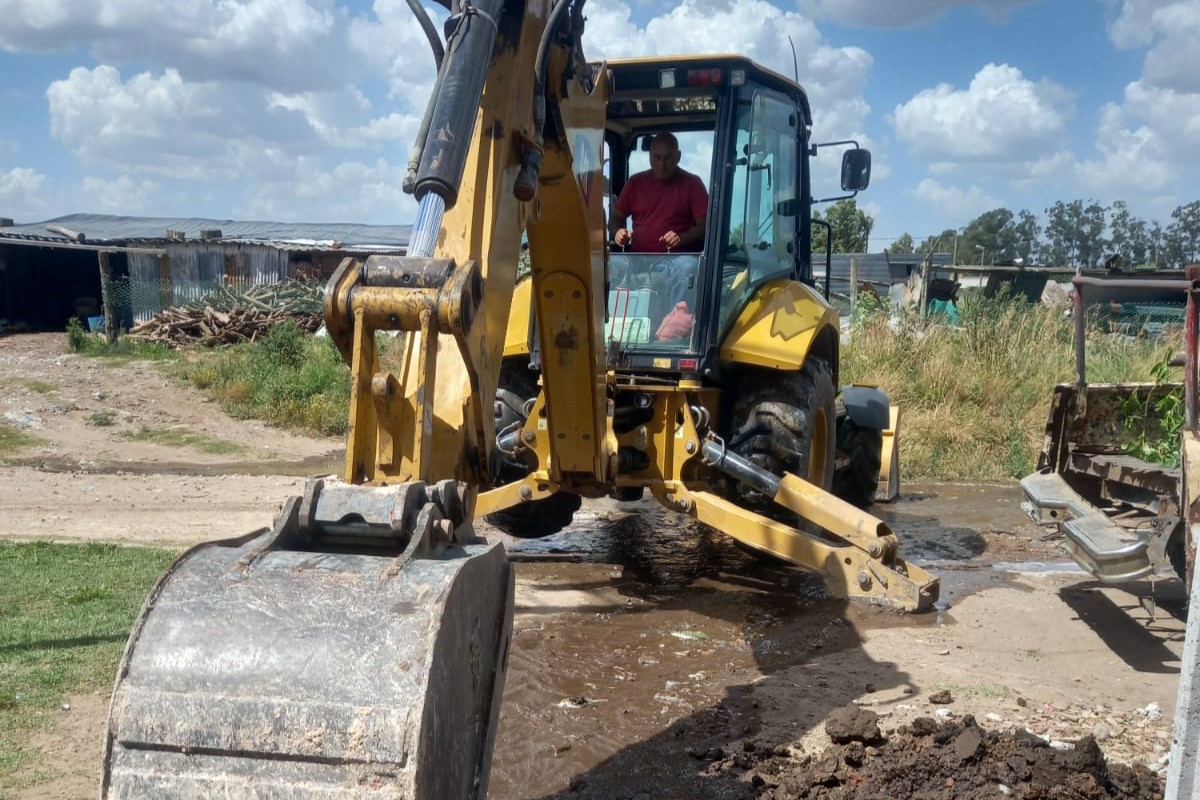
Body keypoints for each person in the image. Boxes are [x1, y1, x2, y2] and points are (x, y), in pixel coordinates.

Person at [609, 132, 708, 253]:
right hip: (637, 257)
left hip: (678, 258)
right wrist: (618, 232)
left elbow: (705, 226)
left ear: (678, 157)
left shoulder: (693, 184)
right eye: (657, 157)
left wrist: (681, 238)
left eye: (667, 158)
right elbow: (615, 218)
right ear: (650, 156)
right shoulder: (635, 183)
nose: (661, 165)